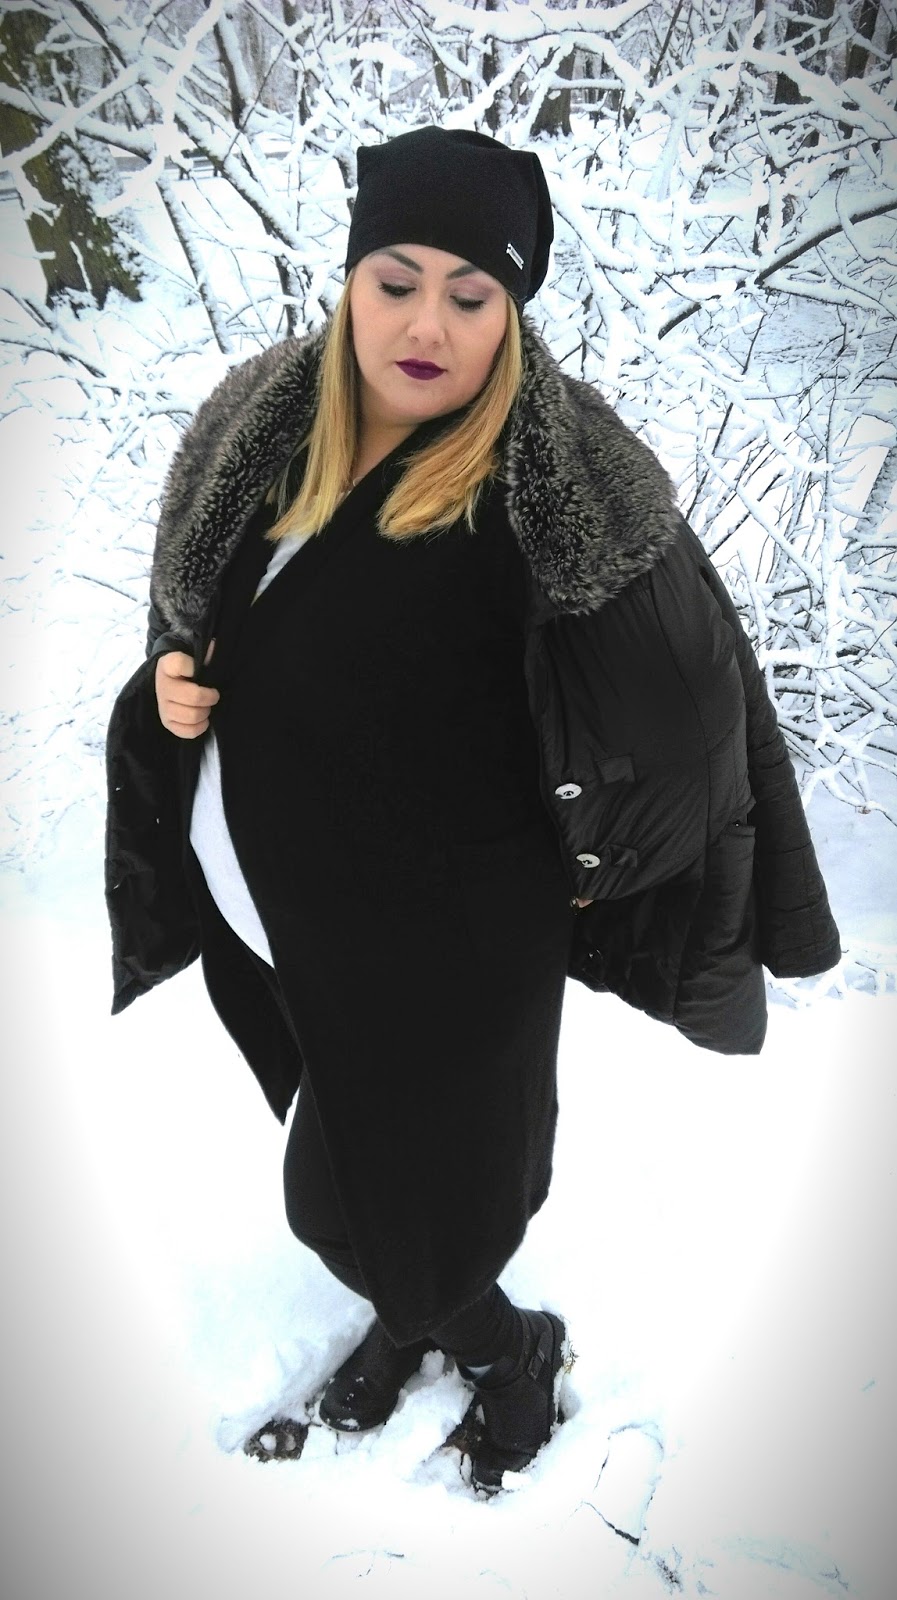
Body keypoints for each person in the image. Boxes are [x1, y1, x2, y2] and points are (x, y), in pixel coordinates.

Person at [105, 126, 840, 1494]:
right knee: (372, 1172)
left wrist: (615, 870)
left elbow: (685, 710)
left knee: (348, 1208)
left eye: (470, 293)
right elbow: (210, 626)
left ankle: (509, 1352)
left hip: (450, 950)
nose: (426, 325)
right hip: (296, 931)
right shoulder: (262, 439)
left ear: (511, 312)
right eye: (395, 281)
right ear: (348, 280)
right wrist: (170, 689)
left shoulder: (546, 495)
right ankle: (414, 1317)